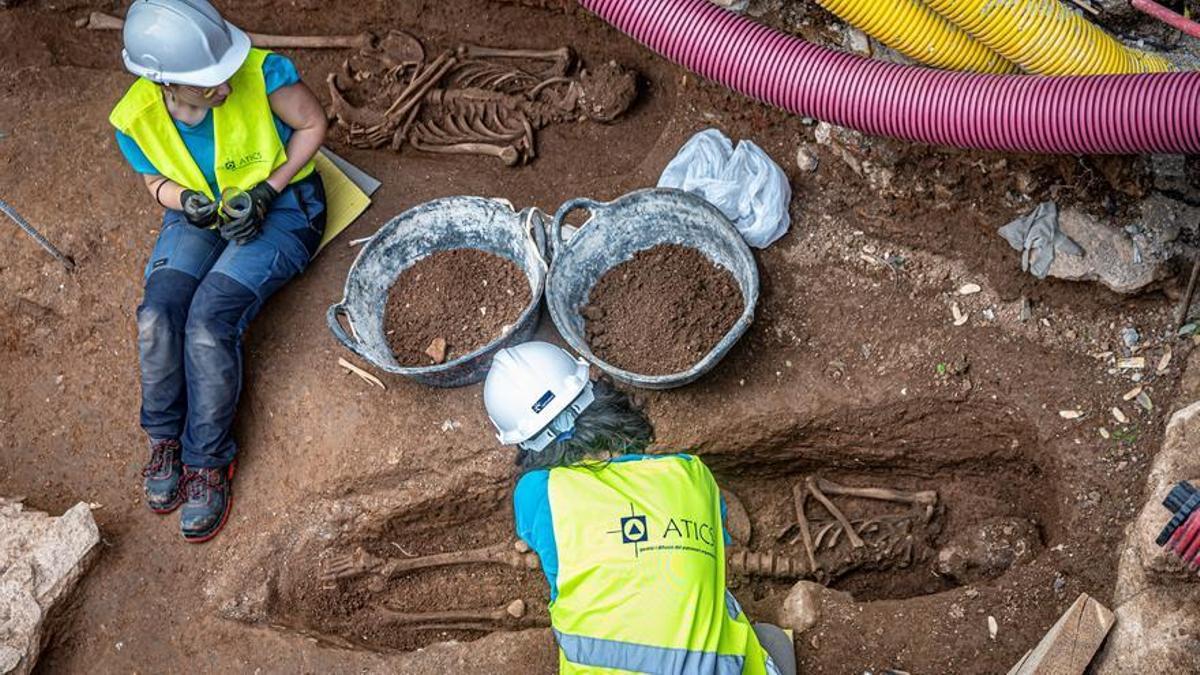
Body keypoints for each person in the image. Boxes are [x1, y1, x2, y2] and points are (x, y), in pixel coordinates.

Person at [110, 0, 328, 542]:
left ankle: (206, 459)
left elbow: (313, 124)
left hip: (283, 206)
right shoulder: (135, 118)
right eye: (209, 84)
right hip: (200, 210)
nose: (225, 85)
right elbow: (154, 182)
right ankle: (165, 437)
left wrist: (267, 190)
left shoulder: (263, 72)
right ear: (167, 85)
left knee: (209, 319)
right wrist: (185, 201)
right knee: (159, 312)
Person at [483, 341, 796, 675]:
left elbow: (542, 534)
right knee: (769, 639)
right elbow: (721, 541)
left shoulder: (535, 493)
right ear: (600, 396)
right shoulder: (691, 473)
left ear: (526, 444)